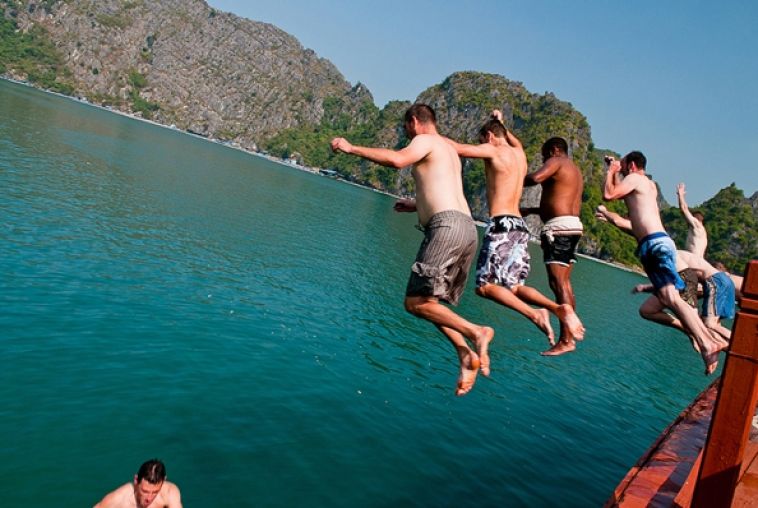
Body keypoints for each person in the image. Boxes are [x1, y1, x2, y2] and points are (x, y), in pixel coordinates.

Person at [330, 104, 494, 396]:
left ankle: (476, 332)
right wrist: (416, 205)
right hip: (467, 229)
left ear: (415, 122)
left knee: (415, 302)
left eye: (406, 129)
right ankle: (465, 354)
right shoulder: (448, 149)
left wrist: (351, 147)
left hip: (446, 228)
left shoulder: (425, 140)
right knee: (430, 304)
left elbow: (397, 160)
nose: (407, 135)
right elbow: (444, 189)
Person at [445, 111, 584, 356]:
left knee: (484, 287)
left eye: (482, 140)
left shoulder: (494, 150)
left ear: (489, 137)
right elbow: (516, 142)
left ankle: (541, 311)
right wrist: (502, 124)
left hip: (501, 225)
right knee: (516, 287)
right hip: (520, 227)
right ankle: (554, 308)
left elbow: (458, 148)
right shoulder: (519, 154)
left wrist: (432, 137)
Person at [603, 151, 727, 374]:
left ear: (631, 165)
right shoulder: (648, 185)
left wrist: (611, 172)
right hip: (662, 243)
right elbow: (622, 196)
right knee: (670, 298)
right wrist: (614, 171)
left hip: (654, 245)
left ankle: (707, 343)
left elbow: (609, 194)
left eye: (623, 168)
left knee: (671, 298)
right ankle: (707, 339)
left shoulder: (636, 178)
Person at [521, 136, 586, 355]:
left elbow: (536, 178)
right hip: (572, 226)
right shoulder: (574, 171)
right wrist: (530, 210)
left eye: (544, 155)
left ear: (555, 150)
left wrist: (512, 177)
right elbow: (559, 202)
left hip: (558, 229)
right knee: (564, 284)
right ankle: (567, 336)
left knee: (557, 283)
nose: (544, 159)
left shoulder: (557, 161)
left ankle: (566, 339)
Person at [94, 459, 182, 508]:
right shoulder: (119, 499)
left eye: (155, 492)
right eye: (145, 491)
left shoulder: (169, 492)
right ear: (136, 480)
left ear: (163, 481)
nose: (149, 498)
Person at [677, 182, 707, 257]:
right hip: (699, 259)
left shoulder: (696, 224)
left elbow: (684, 209)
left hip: (693, 258)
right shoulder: (703, 231)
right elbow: (685, 210)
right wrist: (682, 197)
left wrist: (680, 195)